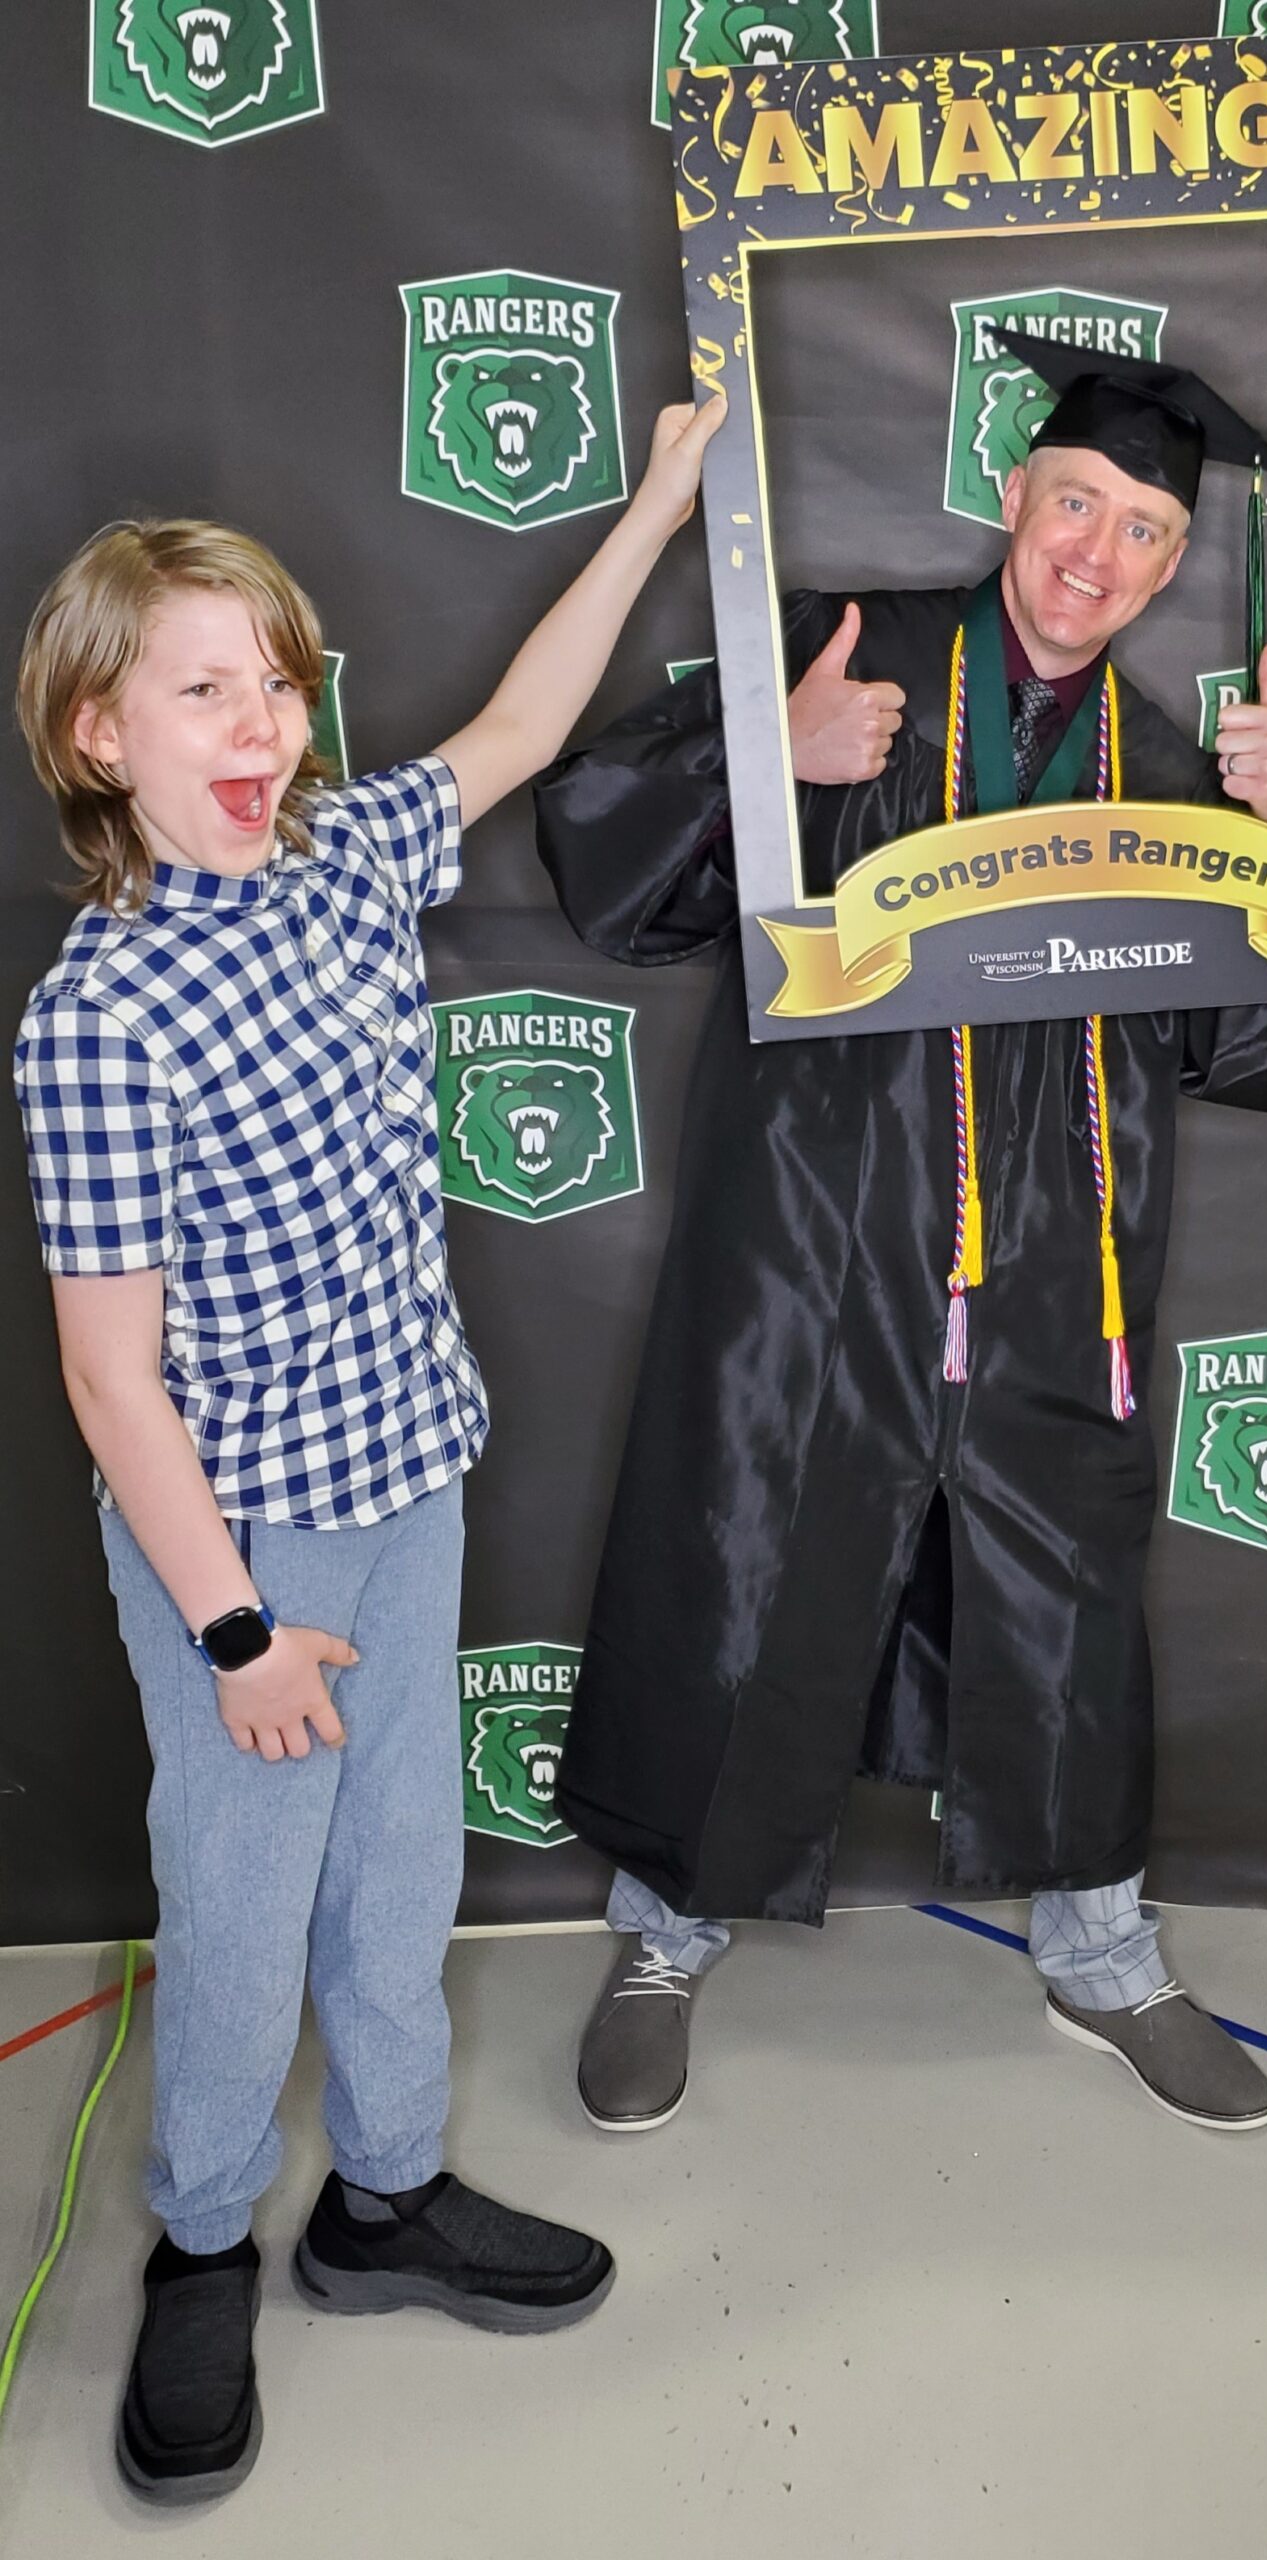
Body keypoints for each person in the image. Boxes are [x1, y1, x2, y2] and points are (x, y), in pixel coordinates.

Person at [11, 392, 726, 2505]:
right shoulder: (98, 1019)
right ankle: (203, 2238)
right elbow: (112, 1378)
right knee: (242, 1911)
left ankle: (386, 2195)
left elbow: (514, 728)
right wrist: (235, 1630)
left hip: (410, 1469)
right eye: (204, 691)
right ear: (97, 738)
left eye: (282, 680)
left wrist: (658, 504)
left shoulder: (339, 861)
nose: (264, 725)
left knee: (402, 1860)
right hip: (242, 1542)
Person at [534, 346, 1267, 2138]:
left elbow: (1254, 1049)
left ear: (1170, 566)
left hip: (1062, 1264)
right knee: (748, 1548)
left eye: (1142, 530)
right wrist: (773, 758)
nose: (1097, 552)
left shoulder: (1171, 772)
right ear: (1015, 494)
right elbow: (609, 871)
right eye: (1078, 503)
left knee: (1065, 1587)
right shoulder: (849, 655)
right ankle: (666, 1934)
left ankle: (1103, 1950)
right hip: (815, 1236)